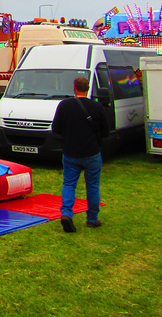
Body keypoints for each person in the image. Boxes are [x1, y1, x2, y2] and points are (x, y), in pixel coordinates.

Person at [52, 76, 110, 233]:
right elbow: (105, 131)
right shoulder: (97, 107)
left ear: (74, 87)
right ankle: (92, 219)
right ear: (88, 87)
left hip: (71, 152)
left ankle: (66, 214)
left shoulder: (64, 106)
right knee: (92, 185)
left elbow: (55, 129)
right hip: (92, 152)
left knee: (69, 184)